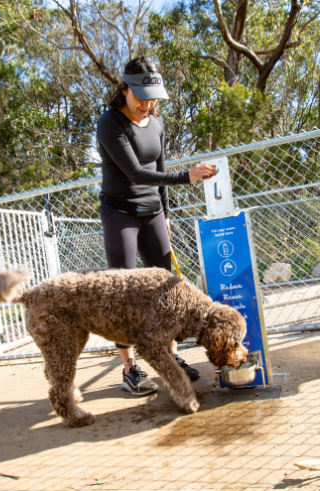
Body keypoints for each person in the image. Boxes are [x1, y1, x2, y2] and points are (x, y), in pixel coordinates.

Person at [96, 56, 216, 395]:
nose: (147, 105)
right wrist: (187, 176)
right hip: (120, 212)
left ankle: (170, 357)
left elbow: (159, 171)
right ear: (124, 89)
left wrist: (164, 213)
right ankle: (130, 368)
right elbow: (136, 173)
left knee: (167, 288)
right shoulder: (110, 123)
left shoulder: (157, 122)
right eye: (141, 97)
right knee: (123, 291)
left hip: (152, 212)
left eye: (153, 98)